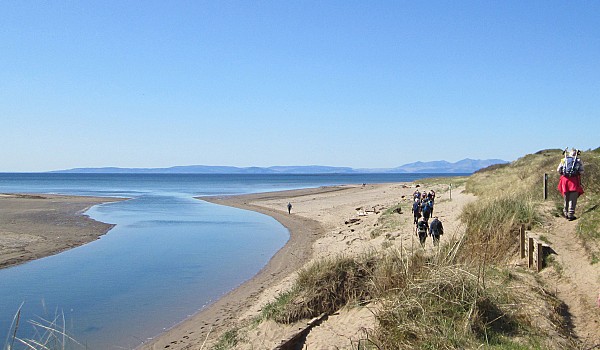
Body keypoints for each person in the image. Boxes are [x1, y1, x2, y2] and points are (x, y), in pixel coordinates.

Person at [557, 148, 584, 221]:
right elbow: (581, 171)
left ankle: (565, 212)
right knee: (573, 198)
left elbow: (558, 169)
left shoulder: (564, 159)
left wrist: (563, 173)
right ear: (576, 154)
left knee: (566, 197)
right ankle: (571, 214)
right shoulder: (578, 161)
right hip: (574, 180)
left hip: (565, 180)